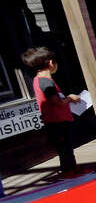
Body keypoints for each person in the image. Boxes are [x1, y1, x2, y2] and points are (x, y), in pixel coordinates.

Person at [21, 47, 82, 177]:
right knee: (65, 148)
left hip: (55, 120)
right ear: (50, 63)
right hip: (57, 121)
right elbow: (57, 102)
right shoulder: (46, 82)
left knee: (66, 147)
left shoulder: (39, 79)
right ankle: (68, 172)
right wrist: (71, 98)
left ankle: (72, 169)